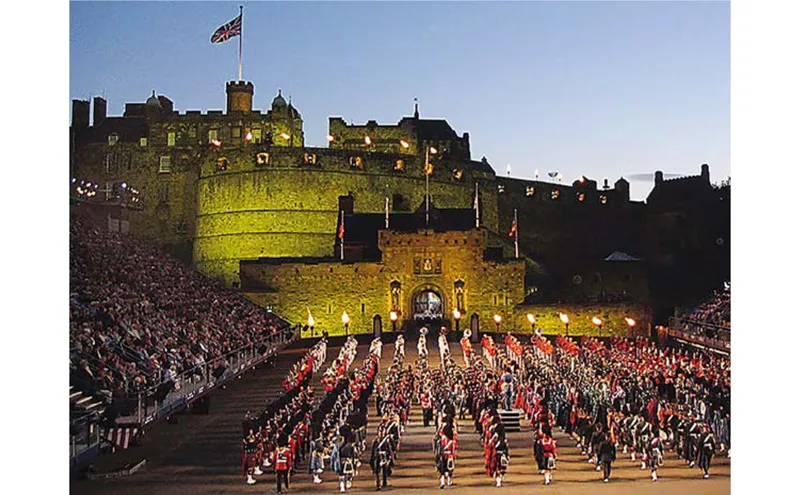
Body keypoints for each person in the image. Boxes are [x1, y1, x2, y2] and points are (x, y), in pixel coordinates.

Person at [437, 424, 457, 489]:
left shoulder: (442, 438)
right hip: (450, 455)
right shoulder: (452, 441)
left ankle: (442, 482)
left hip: (442, 455)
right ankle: (449, 481)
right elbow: (454, 449)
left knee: (442, 469)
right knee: (450, 469)